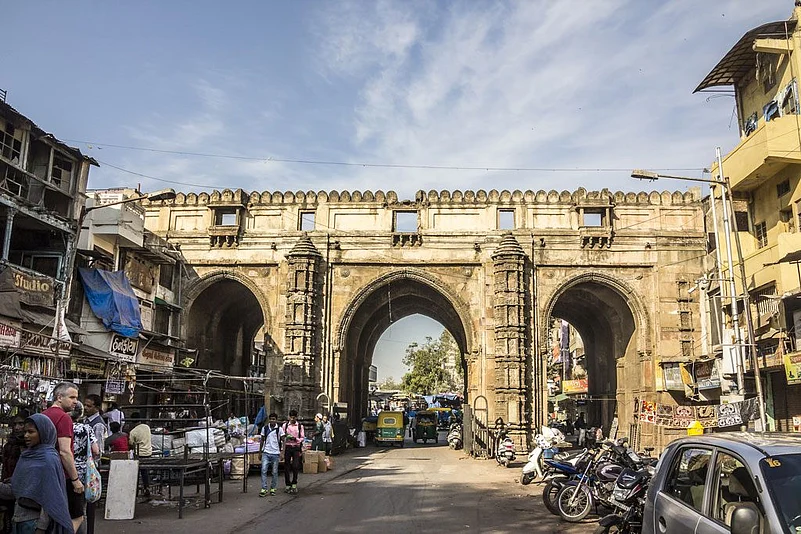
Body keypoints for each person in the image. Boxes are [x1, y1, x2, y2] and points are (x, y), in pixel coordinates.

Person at [10, 414, 73, 534]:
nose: (26, 436)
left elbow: (50, 496)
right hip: (18, 517)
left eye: (31, 432)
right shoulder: (27, 455)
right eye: (25, 432)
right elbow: (18, 487)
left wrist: (41, 527)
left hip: (33, 522)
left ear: (43, 432)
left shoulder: (48, 459)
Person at [42, 382, 83, 533]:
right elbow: (65, 452)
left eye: (76, 398)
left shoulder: (42, 416)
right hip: (62, 475)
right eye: (72, 397)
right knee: (76, 516)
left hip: (45, 473)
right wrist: (75, 479)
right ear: (59, 397)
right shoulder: (64, 418)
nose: (75, 402)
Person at [70, 402, 98, 534]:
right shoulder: (87, 428)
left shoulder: (62, 427)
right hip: (82, 474)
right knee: (80, 509)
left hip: (64, 470)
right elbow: (96, 450)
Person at [259, 413, 283, 497]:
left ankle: (273, 488)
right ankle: (264, 488)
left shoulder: (279, 429)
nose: (272, 421)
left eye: (274, 419)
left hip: (276, 453)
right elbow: (262, 440)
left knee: (274, 472)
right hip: (266, 452)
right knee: (263, 470)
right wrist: (260, 452)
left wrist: (282, 452)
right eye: (271, 419)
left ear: (276, 420)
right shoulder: (265, 428)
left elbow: (284, 440)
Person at [127, 414, 152, 497]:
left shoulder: (133, 432)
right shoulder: (147, 427)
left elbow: (131, 443)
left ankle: (135, 490)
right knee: (145, 472)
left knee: (136, 472)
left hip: (139, 454)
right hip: (148, 452)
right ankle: (146, 487)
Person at [282, 410, 304, 495]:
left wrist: (296, 439)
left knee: (295, 466)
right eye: (291, 417)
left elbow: (302, 437)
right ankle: (287, 484)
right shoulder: (285, 425)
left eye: (294, 417)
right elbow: (282, 436)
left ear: (296, 417)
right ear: (289, 417)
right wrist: (286, 437)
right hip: (287, 447)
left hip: (296, 447)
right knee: (286, 467)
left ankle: (294, 483)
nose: (292, 419)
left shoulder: (299, 426)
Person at [1, 416, 25, 482]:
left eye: (21, 424)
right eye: (15, 424)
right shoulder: (9, 444)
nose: (17, 428)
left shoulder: (30, 445)